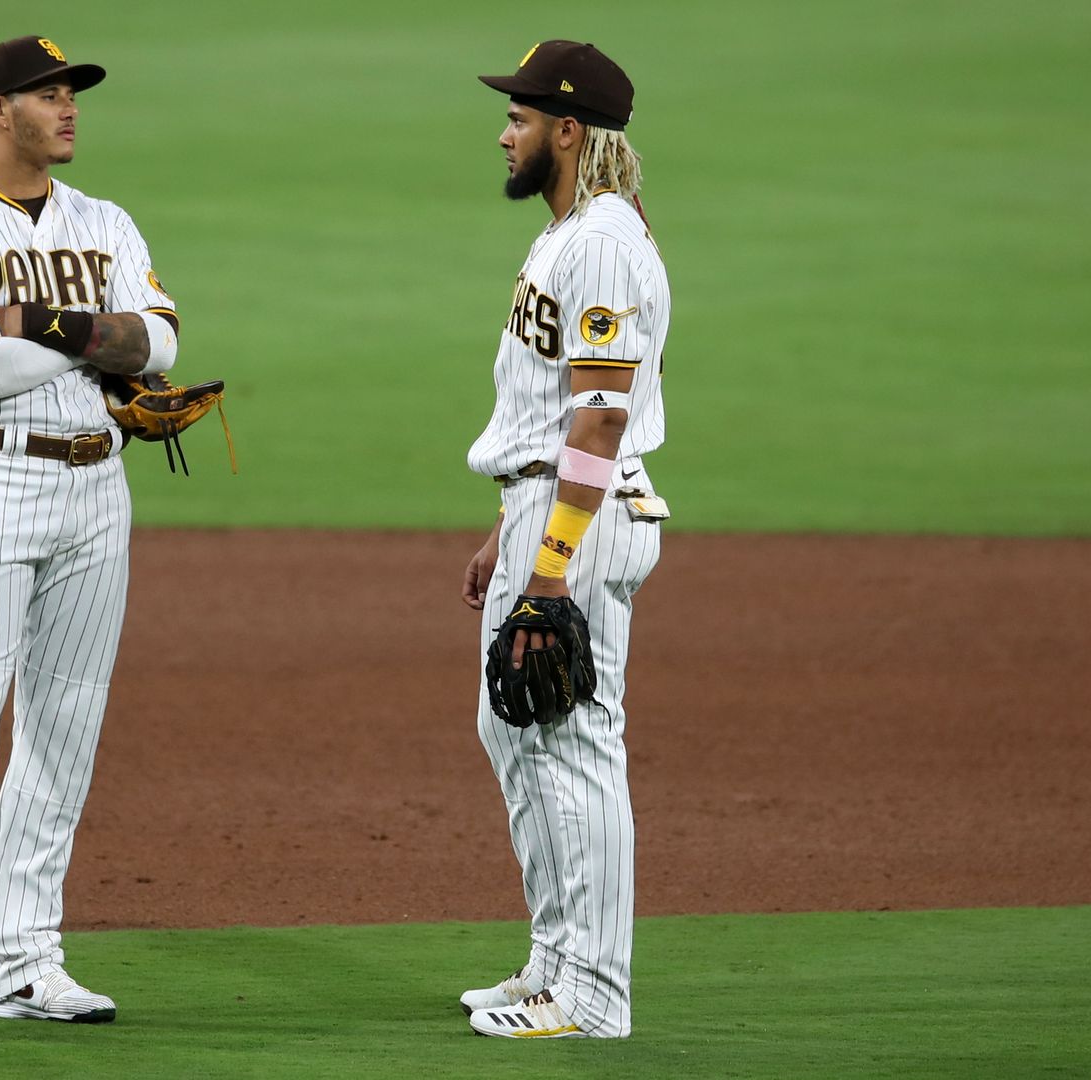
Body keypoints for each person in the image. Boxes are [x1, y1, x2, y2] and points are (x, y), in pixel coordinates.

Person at [0, 34, 179, 1038]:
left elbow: (162, 341)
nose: (70, 107)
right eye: (50, 93)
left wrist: (43, 325)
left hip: (98, 489)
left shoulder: (107, 219)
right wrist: (93, 340)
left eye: (73, 93)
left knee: (63, 728)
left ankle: (26, 961)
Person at [458, 39, 672, 1040]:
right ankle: (555, 961)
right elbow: (548, 409)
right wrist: (505, 529)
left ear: (568, 133)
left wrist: (548, 569)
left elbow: (597, 419)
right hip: (543, 509)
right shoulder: (569, 234)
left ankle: (595, 995)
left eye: (522, 118)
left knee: (578, 745)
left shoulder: (602, 244)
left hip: (578, 519)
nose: (506, 133)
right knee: (514, 729)